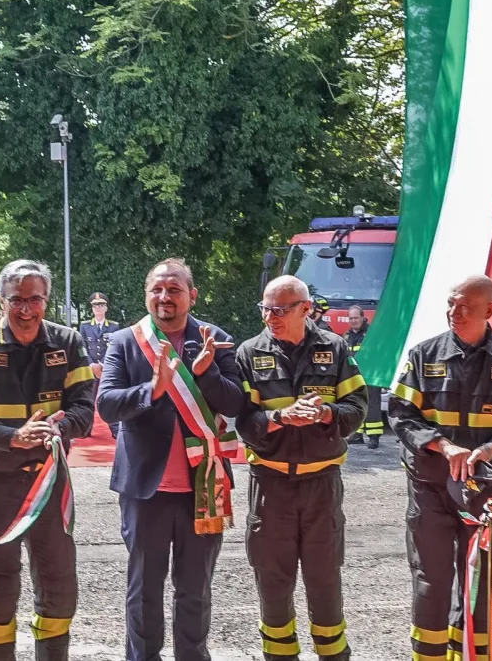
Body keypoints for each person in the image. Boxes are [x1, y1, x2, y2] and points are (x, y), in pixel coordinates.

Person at [387, 274, 492, 660]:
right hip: (430, 490)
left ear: (490, 311)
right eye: (451, 304)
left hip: (485, 495)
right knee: (431, 582)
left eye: (465, 307)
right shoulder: (424, 355)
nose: (454, 313)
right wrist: (444, 446)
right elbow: (401, 414)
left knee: (478, 584)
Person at [0, 259, 96, 660]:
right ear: (1, 300)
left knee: (60, 589)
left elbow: (85, 407)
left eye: (35, 299)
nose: (26, 309)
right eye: (17, 300)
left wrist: (58, 430)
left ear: (47, 300)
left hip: (50, 482)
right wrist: (13, 438)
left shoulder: (68, 342)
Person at [98, 258, 245, 661]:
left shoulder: (217, 338)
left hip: (204, 485)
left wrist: (207, 375)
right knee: (144, 588)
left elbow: (236, 402)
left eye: (174, 289)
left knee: (195, 588)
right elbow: (107, 404)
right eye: (157, 290)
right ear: (147, 295)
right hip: (146, 488)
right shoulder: (126, 341)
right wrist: (153, 389)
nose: (165, 297)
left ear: (192, 295)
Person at [235, 276, 367, 660]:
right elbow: (243, 421)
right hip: (270, 485)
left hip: (321, 487)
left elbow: (357, 407)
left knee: (325, 580)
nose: (270, 317)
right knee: (273, 583)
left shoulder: (335, 347)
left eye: (279, 309)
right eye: (265, 309)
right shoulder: (249, 352)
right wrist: (279, 418)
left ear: (306, 309)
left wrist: (326, 413)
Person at [79, 292, 121, 437]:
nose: (98, 308)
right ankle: (86, 429)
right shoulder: (84, 326)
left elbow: (114, 347)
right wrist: (91, 365)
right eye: (95, 305)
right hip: (90, 369)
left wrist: (103, 365)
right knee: (88, 400)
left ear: (106, 308)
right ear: (92, 308)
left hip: (107, 369)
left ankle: (116, 430)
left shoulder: (114, 327)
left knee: (109, 398)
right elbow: (82, 346)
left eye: (101, 305)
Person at [343, 305, 384, 449]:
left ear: (362, 317)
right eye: (351, 318)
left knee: (372, 405)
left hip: (371, 375)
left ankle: (374, 437)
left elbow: (380, 354)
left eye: (356, 318)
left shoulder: (371, 334)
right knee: (356, 404)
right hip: (355, 376)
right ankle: (357, 434)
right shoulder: (347, 335)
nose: (354, 321)